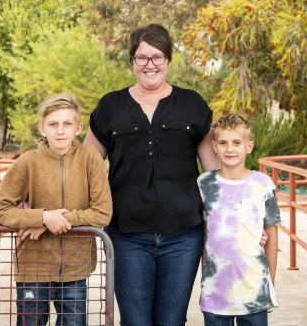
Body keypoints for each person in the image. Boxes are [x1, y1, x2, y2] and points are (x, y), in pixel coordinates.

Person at [84, 23, 220, 325]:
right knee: (135, 322)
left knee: (172, 322)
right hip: (126, 235)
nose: (150, 65)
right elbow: (86, 168)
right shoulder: (110, 106)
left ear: (168, 60)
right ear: (132, 61)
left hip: (183, 235)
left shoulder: (192, 104)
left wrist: (243, 224)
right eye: (142, 57)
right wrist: (42, 201)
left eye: (157, 57)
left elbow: (216, 176)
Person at [0, 92, 113, 326]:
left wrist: (52, 221)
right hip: (33, 266)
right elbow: (1, 210)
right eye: (53, 124)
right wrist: (42, 217)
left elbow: (102, 212)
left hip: (75, 267)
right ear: (41, 128)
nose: (60, 131)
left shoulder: (90, 158)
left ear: (78, 127)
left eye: (67, 124)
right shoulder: (27, 162)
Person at [197, 114, 281, 326]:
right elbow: (206, 233)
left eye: (236, 142)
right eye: (223, 143)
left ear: (249, 146)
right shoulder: (204, 184)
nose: (230, 149)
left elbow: (271, 232)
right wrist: (205, 277)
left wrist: (270, 281)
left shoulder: (263, 184)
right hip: (216, 292)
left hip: (253, 291)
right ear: (214, 146)